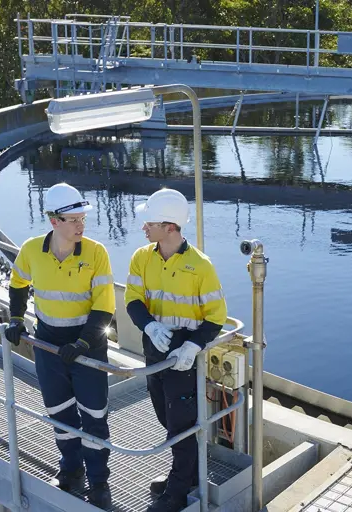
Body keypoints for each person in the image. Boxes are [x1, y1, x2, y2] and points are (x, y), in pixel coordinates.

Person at [4, 183, 116, 509]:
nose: (82, 225)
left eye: (83, 218)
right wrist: (15, 319)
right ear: (54, 221)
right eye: (74, 220)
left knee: (94, 416)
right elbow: (18, 283)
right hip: (48, 345)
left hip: (87, 346)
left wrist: (83, 342)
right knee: (60, 413)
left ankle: (99, 483)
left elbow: (104, 307)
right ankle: (71, 471)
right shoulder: (30, 250)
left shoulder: (96, 253)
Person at [124, 188, 228, 512]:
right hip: (154, 354)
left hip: (184, 360)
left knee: (182, 427)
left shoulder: (201, 266)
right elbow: (132, 300)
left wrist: (194, 346)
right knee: (166, 419)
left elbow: (217, 317)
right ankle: (187, 475)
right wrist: (149, 326)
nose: (144, 228)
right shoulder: (142, 257)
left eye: (150, 223)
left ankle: (177, 492)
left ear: (170, 227)